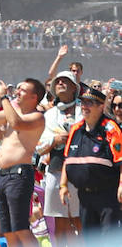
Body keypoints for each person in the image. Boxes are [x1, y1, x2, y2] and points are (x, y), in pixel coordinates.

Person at [0, 78, 46, 247]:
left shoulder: (37, 117)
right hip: (3, 175)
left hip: (19, 175)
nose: (17, 92)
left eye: (22, 90)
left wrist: (4, 97)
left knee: (21, 228)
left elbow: (17, 123)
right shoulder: (12, 112)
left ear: (34, 97)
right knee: (8, 230)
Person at [61, 84, 122, 233]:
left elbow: (120, 160)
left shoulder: (111, 128)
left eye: (90, 103)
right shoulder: (75, 129)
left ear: (101, 107)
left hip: (107, 195)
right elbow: (67, 160)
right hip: (84, 196)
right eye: (83, 102)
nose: (84, 106)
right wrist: (62, 185)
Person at [40, 70, 82, 245]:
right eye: (58, 81)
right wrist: (54, 139)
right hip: (56, 171)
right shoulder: (49, 115)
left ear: (74, 88)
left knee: (80, 219)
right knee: (60, 221)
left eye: (66, 81)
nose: (61, 84)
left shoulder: (85, 110)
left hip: (81, 172)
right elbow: (39, 145)